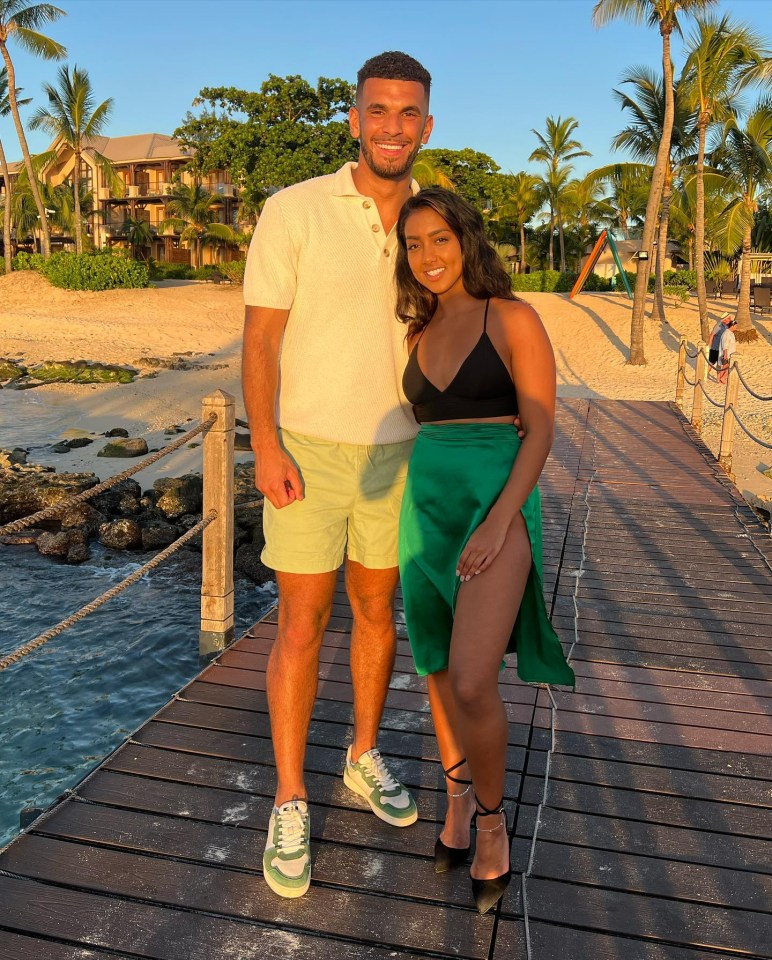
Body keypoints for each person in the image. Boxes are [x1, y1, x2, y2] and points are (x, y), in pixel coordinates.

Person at [241, 51, 434, 900]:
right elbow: (260, 340)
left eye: (408, 113)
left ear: (426, 125)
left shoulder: (437, 220)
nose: (392, 126)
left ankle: (361, 755)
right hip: (309, 450)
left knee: (375, 611)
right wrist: (266, 446)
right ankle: (289, 798)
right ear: (354, 119)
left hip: (402, 452)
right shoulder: (295, 209)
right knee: (301, 622)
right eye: (378, 110)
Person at [395, 188, 575, 914]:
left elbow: (539, 428)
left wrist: (503, 521)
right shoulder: (415, 330)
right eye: (413, 245)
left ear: (467, 238)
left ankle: (494, 823)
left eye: (440, 238)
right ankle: (458, 801)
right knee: (436, 670)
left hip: (494, 509)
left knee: (473, 680)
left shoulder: (513, 317)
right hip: (424, 511)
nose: (428, 256)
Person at [708, 312, 732, 377]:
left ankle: (718, 379)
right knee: (711, 363)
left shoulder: (729, 326)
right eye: (729, 318)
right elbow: (712, 335)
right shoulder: (719, 325)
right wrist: (709, 346)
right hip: (715, 347)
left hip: (722, 348)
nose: (730, 319)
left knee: (719, 364)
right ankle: (704, 375)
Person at [717, 318, 738, 385]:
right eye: (735, 326)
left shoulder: (730, 333)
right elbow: (725, 344)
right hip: (727, 353)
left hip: (730, 353)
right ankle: (722, 378)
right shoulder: (726, 334)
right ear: (732, 326)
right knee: (727, 366)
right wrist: (725, 354)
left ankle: (721, 379)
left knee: (725, 366)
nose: (736, 327)